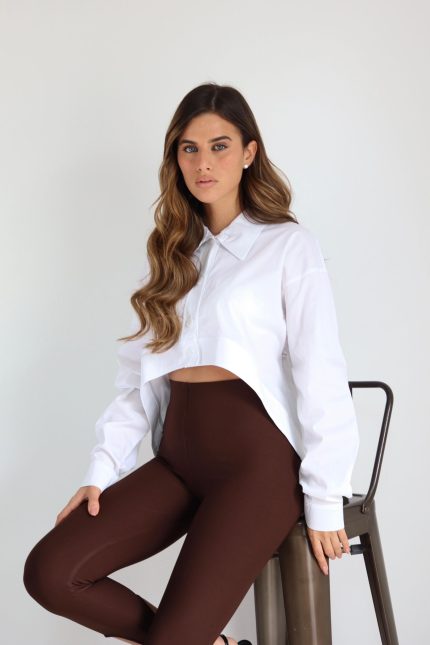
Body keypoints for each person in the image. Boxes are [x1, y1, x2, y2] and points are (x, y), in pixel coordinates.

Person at [23, 82, 360, 645]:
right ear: (176, 158)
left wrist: (325, 499)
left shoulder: (287, 246)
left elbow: (320, 370)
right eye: (189, 148)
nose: (203, 163)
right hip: (179, 458)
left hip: (255, 467)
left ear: (249, 152)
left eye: (219, 146)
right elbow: (137, 379)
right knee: (51, 573)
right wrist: (101, 472)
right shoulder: (170, 254)